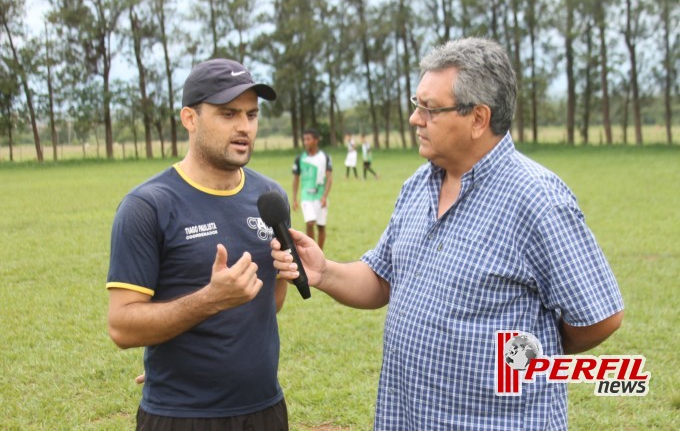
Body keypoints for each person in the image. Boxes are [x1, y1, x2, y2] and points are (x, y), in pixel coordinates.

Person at [272, 38, 624, 430]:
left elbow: (599, 318)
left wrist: (527, 356)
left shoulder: (537, 200)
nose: (414, 119)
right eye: (416, 103)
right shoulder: (418, 186)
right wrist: (324, 272)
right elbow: (383, 278)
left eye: (430, 109)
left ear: (478, 118)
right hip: (407, 418)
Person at [107, 58, 290, 430]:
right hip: (182, 416)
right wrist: (209, 299)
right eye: (228, 114)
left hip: (265, 410)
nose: (244, 127)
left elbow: (269, 301)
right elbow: (123, 327)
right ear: (189, 119)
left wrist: (281, 276)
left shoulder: (270, 196)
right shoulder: (147, 206)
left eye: (252, 115)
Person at [292, 128, 332, 249]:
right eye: (304, 139)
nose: (305, 142)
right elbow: (296, 179)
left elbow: (329, 179)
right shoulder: (300, 159)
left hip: (320, 196)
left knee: (321, 226)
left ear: (316, 140)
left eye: (308, 139)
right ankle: (312, 250)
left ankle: (320, 252)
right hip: (306, 196)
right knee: (309, 223)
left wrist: (325, 196)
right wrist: (294, 199)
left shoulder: (325, 157)